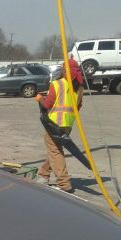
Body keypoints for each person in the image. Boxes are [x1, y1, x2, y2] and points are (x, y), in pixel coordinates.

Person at [36, 57, 84, 193]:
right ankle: (43, 175)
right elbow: (78, 106)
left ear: (64, 70)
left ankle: (64, 183)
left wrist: (40, 99)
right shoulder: (79, 88)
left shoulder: (58, 84)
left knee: (55, 152)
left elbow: (47, 104)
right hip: (67, 125)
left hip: (54, 124)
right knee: (54, 151)